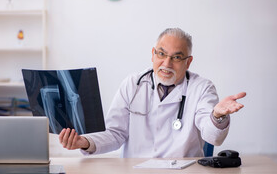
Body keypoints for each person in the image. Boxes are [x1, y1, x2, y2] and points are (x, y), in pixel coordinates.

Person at [59, 28, 246, 158]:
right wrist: (84, 142)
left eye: (177, 57)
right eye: (161, 54)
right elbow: (116, 133)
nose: (166, 63)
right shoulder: (133, 84)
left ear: (188, 62)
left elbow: (213, 137)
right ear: (152, 54)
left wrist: (217, 116)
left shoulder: (201, 87)